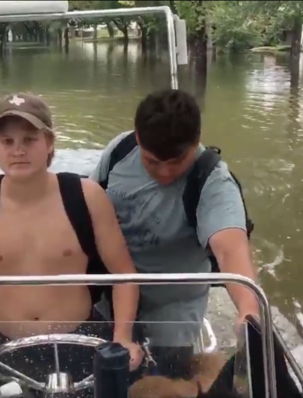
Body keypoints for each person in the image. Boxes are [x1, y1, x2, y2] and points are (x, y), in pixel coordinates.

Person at [0, 92, 143, 392]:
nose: (18, 150)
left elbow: (124, 274)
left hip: (80, 340)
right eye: (7, 141)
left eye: (29, 140)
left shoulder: (86, 196)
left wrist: (122, 336)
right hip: (4, 348)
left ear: (49, 143)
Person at [88, 89, 260, 378]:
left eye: (177, 161)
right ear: (138, 138)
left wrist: (248, 308)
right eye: (152, 162)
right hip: (110, 293)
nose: (165, 173)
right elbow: (88, 204)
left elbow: (230, 250)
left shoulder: (212, 182)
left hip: (171, 309)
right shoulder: (120, 150)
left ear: (196, 141)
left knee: (166, 380)